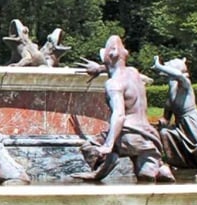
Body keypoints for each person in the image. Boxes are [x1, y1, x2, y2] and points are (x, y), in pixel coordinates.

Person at [73, 35, 172, 182]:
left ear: (109, 56)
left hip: (127, 135)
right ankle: (161, 169)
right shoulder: (134, 73)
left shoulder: (113, 84)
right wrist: (99, 69)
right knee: (146, 176)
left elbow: (119, 115)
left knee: (89, 147)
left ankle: (108, 161)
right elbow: (115, 66)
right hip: (148, 137)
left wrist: (108, 144)